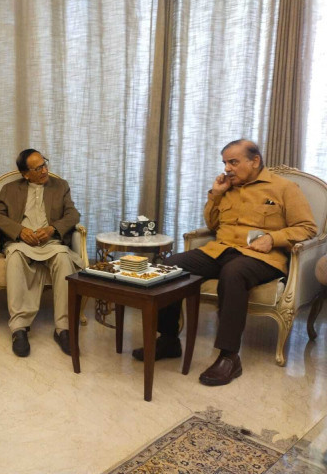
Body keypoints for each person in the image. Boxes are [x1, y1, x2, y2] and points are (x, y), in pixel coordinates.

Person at [132, 139, 317, 386]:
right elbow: (212, 225)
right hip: (219, 251)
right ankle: (168, 340)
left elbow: (307, 228)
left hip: (260, 257)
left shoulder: (285, 188)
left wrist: (273, 238)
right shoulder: (228, 187)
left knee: (233, 273)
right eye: (225, 163)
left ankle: (229, 356)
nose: (227, 168)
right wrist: (216, 195)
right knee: (169, 266)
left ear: (255, 161)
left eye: (233, 162)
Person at [0, 148, 85, 357]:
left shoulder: (60, 186)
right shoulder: (9, 189)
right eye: (38, 168)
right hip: (21, 243)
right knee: (15, 258)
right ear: (26, 174)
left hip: (51, 242)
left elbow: (73, 214)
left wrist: (53, 229)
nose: (45, 170)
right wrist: (19, 231)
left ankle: (63, 329)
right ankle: (19, 329)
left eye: (45, 164)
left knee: (63, 258)